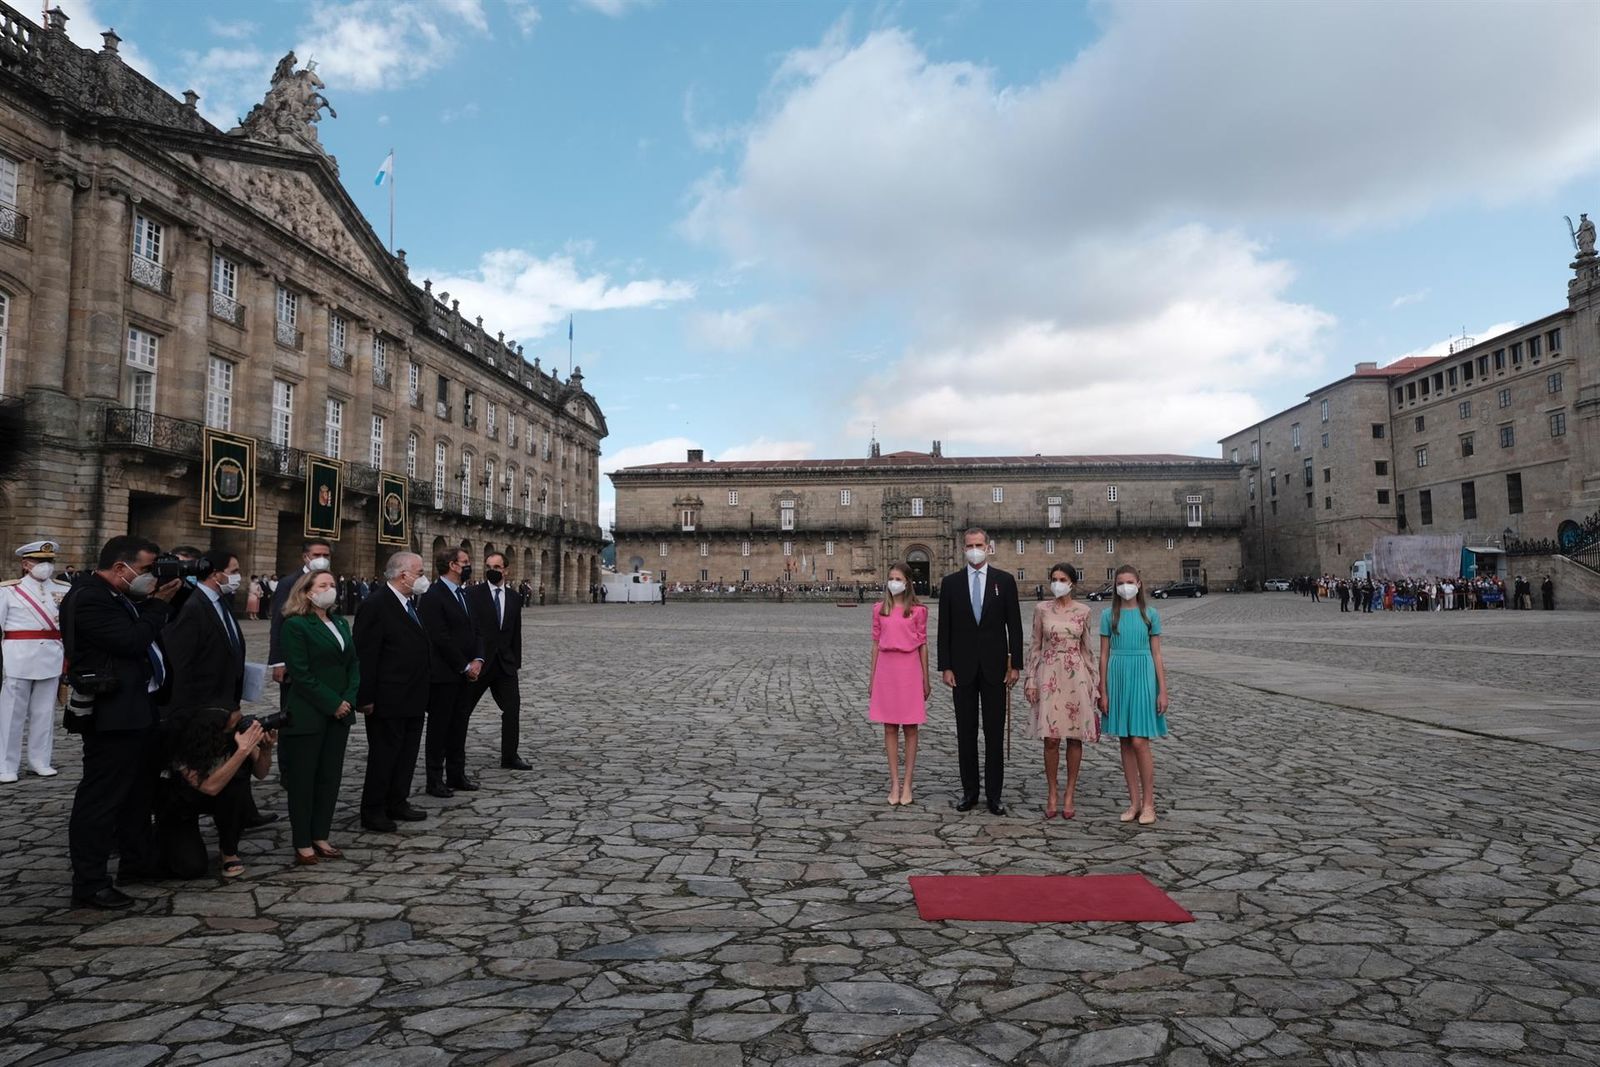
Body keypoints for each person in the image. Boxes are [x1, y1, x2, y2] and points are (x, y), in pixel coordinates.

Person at [60, 536, 182, 908]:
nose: (149, 577)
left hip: (137, 711)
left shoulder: (122, 597)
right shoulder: (89, 598)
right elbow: (130, 641)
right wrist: (158, 605)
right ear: (119, 568)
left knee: (137, 795)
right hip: (111, 717)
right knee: (101, 801)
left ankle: (138, 861)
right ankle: (90, 881)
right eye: (144, 569)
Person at [936, 527, 1023, 816]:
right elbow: (944, 629)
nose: (974, 549)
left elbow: (1015, 626)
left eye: (979, 544)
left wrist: (1016, 665)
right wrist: (945, 665)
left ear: (989, 547)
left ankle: (994, 795)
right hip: (961, 669)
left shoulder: (1005, 581)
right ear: (964, 548)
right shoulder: (951, 583)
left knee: (994, 733)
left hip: (995, 668)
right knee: (966, 733)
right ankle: (969, 792)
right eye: (970, 545)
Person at [278, 570, 358, 864]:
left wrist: (348, 698)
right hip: (310, 712)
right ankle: (302, 841)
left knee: (329, 777)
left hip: (340, 712)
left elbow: (353, 663)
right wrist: (332, 702)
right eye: (323, 585)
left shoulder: (339, 622)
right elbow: (300, 673)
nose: (330, 589)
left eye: (333, 584)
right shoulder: (296, 625)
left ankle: (320, 833)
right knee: (303, 779)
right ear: (307, 591)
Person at [354, 552, 432, 832]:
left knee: (407, 753)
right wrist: (365, 697)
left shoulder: (411, 604)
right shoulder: (375, 605)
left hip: (412, 695)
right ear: (403, 575)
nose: (423, 578)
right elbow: (365, 653)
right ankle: (373, 809)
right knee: (384, 755)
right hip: (388, 696)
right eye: (420, 572)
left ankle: (397, 800)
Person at [157, 706, 275, 879]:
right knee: (191, 868)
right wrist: (242, 752)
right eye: (234, 724)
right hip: (181, 804)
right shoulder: (185, 744)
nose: (240, 727)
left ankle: (229, 851)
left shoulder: (239, 737)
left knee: (238, 787)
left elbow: (262, 773)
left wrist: (265, 749)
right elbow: (209, 787)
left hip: (220, 799)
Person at [1022, 563, 1100, 820]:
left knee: (1075, 737)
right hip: (1049, 673)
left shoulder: (1084, 611)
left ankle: (1069, 792)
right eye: (1054, 578)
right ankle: (1052, 791)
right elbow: (1035, 645)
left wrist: (1095, 683)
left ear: (1072, 583)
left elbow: (1087, 649)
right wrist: (1031, 678)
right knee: (1051, 738)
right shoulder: (1041, 609)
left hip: (1076, 675)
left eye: (1062, 578)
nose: (1057, 583)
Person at [1097, 565, 1168, 826]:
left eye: (1129, 581)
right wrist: (1102, 690)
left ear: (1139, 583)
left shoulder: (1150, 614)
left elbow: (1158, 654)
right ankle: (1134, 801)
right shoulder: (1108, 615)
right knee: (1125, 740)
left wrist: (1162, 690)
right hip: (1118, 675)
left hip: (1143, 673)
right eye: (1120, 582)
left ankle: (1150, 803)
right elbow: (1103, 654)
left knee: (1140, 740)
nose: (1124, 586)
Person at [416, 546, 484, 797]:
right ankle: (435, 778)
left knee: (459, 725)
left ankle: (457, 773)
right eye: (465, 562)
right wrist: (464, 665)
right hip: (444, 674)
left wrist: (478, 658)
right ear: (453, 566)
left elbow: (476, 628)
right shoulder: (434, 595)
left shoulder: (464, 595)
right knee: (439, 727)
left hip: (466, 673)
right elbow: (439, 637)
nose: (469, 565)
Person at [0, 539, 70, 782]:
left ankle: (39, 760)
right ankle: (6, 765)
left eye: (49, 561)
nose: (46, 565)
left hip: (52, 655)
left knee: (44, 713)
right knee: (11, 714)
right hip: (17, 656)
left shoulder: (64, 589)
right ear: (26, 564)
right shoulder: (8, 589)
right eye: (40, 561)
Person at [867, 563, 927, 806]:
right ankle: (894, 782)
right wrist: (872, 679)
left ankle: (908, 783)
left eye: (898, 578)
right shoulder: (878, 609)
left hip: (910, 668)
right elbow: (874, 644)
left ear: (908, 582)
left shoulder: (918, 611)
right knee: (889, 728)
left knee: (911, 728)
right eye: (891, 578)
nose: (894, 582)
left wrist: (926, 678)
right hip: (886, 669)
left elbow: (923, 644)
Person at [465, 551, 530, 771]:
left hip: (505, 664)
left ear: (506, 570)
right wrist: (471, 660)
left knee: (512, 710)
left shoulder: (514, 597)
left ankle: (510, 756)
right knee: (463, 710)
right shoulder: (473, 594)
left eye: (497, 567)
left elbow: (515, 632)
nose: (492, 571)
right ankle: (452, 752)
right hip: (481, 663)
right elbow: (469, 630)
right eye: (489, 566)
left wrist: (515, 662)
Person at [161, 546, 246, 715]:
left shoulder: (221, 600)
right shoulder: (190, 605)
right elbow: (180, 662)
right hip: (200, 704)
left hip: (224, 699)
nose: (238, 576)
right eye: (233, 571)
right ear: (215, 574)